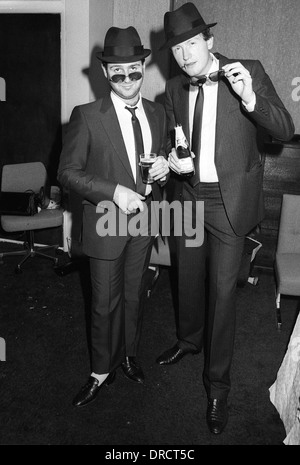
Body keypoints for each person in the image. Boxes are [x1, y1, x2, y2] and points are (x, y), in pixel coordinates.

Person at [156, 2, 294, 434]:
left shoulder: (246, 69)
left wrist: (251, 97)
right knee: (186, 276)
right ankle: (188, 339)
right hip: (189, 196)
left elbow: (284, 128)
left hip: (229, 200)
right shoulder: (175, 90)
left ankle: (218, 388)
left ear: (210, 42)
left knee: (223, 295)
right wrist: (177, 160)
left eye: (191, 44)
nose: (184, 55)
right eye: (177, 48)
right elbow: (179, 141)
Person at [58, 26, 169, 407]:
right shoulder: (86, 116)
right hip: (106, 220)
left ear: (143, 67)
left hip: (145, 219)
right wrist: (114, 192)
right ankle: (100, 370)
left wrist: (164, 171)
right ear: (105, 73)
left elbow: (165, 159)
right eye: (117, 72)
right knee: (105, 300)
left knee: (135, 294)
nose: (126, 80)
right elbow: (67, 173)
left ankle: (127, 355)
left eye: (133, 71)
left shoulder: (157, 113)